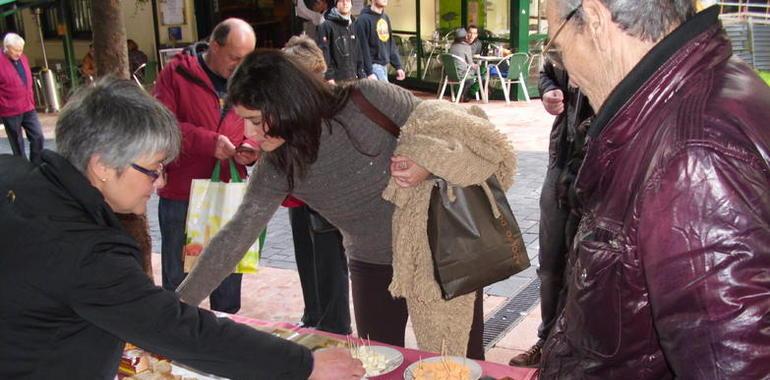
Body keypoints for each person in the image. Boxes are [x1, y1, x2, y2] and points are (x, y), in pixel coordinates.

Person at [0, 77, 364, 380]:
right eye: (154, 168)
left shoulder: (12, 176)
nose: (159, 184)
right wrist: (306, 364)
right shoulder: (85, 251)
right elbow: (182, 332)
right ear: (102, 167)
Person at [176, 50, 493, 359]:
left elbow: (452, 138)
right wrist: (176, 309)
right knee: (378, 362)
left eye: (256, 120)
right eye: (244, 121)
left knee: (462, 360)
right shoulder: (277, 164)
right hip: (372, 264)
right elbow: (235, 236)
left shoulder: (369, 99)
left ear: (288, 102)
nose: (250, 134)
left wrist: (427, 163)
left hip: (443, 248)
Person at [540, 1, 770, 378]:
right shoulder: (703, 89)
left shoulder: (692, 156)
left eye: (558, 48)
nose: (572, 78)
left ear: (595, 20)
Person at [153, 18, 258, 314]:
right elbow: (162, 127)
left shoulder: (249, 80)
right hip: (183, 195)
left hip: (229, 193)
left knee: (227, 280)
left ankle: (224, 346)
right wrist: (207, 142)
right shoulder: (176, 73)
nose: (240, 66)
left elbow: (265, 122)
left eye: (246, 59)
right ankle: (177, 346)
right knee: (180, 284)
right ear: (215, 46)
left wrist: (254, 148)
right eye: (234, 58)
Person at [508, 58, 593, 368]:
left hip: (597, 170)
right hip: (560, 163)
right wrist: (550, 90)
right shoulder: (569, 39)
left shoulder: (618, 40)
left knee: (585, 266)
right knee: (550, 262)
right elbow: (548, 71)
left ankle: (575, 349)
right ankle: (547, 341)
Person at [282, 34, 352, 335]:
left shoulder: (333, 104)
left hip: (326, 199)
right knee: (307, 259)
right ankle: (314, 315)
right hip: (299, 196)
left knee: (329, 263)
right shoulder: (294, 103)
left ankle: (335, 327)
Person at [0, 33, 44, 165]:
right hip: (10, 109)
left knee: (38, 136)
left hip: (27, 106)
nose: (19, 53)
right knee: (17, 142)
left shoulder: (23, 58)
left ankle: (36, 163)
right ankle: (22, 167)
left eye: (21, 49)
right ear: (6, 47)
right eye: (16, 50)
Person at [354, 0, 405, 82]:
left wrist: (398, 66)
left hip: (384, 66)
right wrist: (369, 71)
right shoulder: (363, 20)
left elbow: (390, 43)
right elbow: (362, 48)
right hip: (373, 66)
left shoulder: (385, 17)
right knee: (387, 94)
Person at [318, 0, 364, 83]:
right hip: (336, 80)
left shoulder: (354, 25)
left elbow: (358, 53)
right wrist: (329, 77)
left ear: (351, 4)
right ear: (336, 4)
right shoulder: (326, 26)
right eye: (341, 0)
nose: (345, 3)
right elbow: (324, 53)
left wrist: (361, 74)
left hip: (354, 78)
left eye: (348, 1)